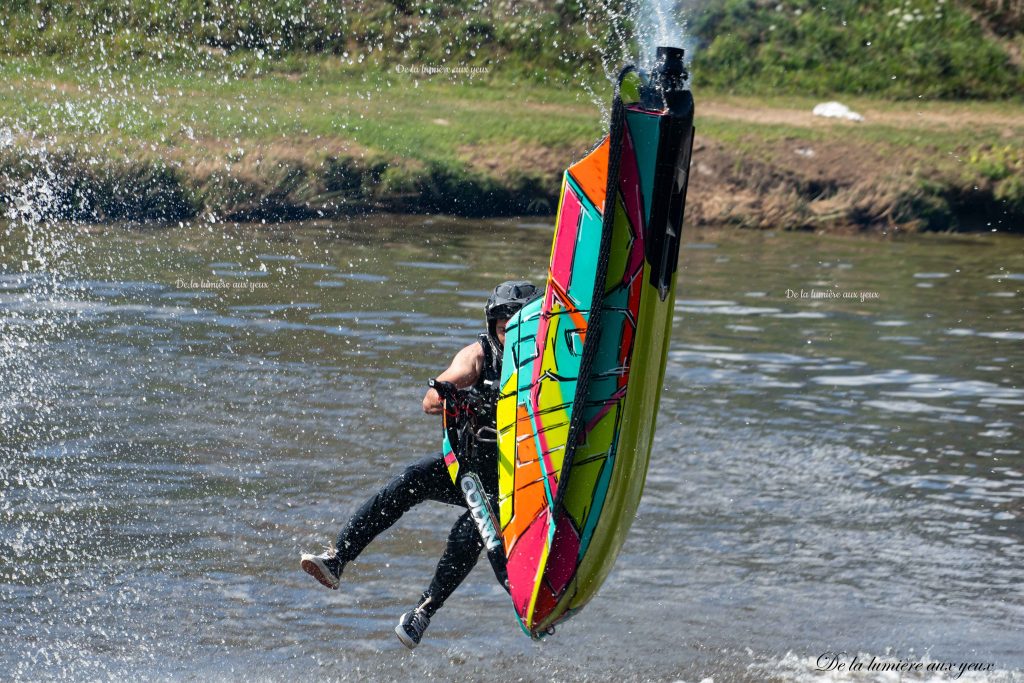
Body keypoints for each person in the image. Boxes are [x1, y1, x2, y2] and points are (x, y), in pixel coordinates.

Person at [300, 280, 541, 649]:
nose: (511, 335)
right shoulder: (477, 356)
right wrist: (460, 398)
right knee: (410, 480)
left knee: (470, 532)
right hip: (469, 469)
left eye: (520, 327)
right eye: (504, 327)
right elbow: (430, 399)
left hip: (516, 481)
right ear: (493, 326)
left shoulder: (547, 358)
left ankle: (423, 611)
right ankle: (338, 559)